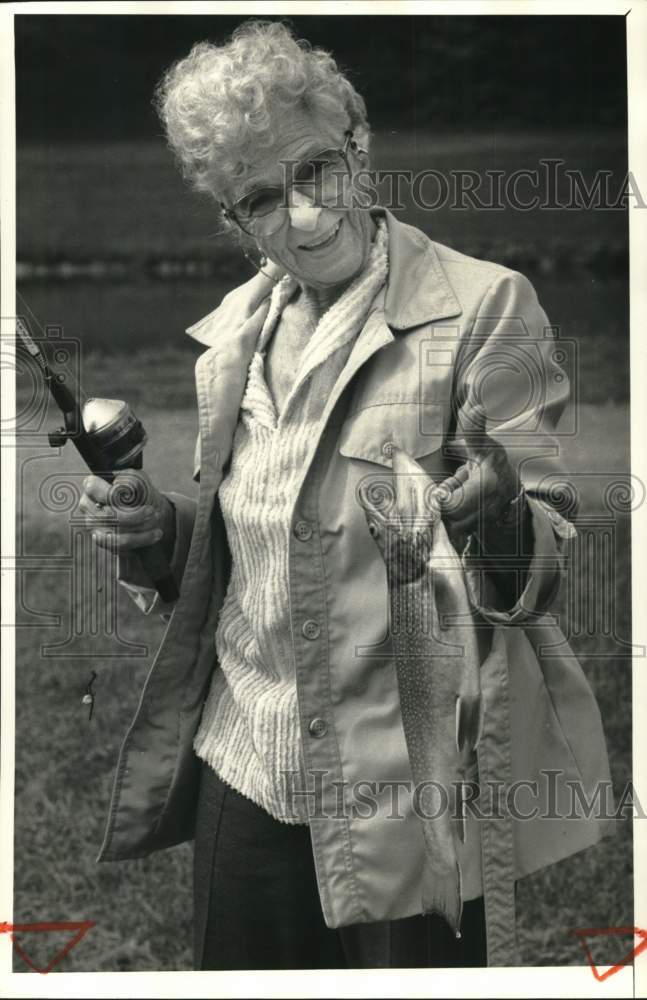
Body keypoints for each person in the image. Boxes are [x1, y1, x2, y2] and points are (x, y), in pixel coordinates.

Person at [78, 19, 613, 970]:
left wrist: (495, 508)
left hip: (408, 789)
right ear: (233, 221)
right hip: (241, 767)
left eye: (316, 171)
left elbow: (542, 570)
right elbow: (261, 543)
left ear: (359, 145)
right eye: (259, 199)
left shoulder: (485, 305)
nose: (304, 216)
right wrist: (160, 535)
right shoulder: (236, 334)